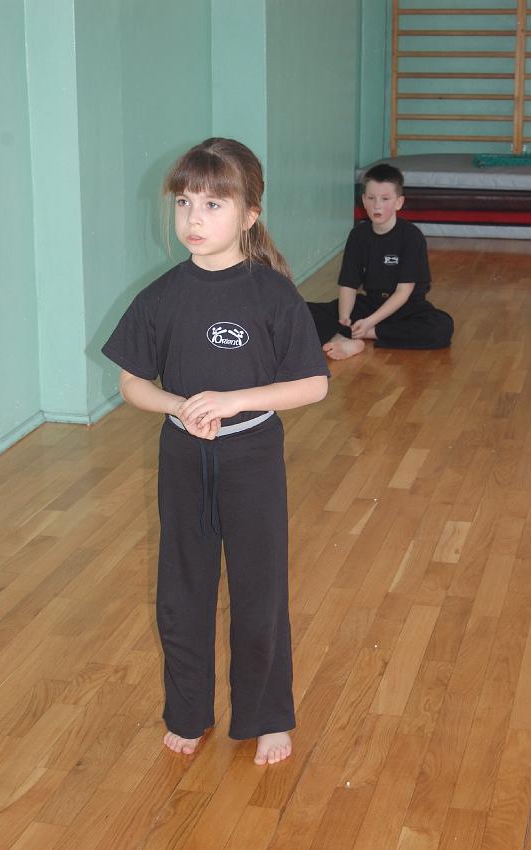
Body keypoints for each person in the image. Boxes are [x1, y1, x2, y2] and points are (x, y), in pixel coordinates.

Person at [102, 138, 329, 766]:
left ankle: (268, 716)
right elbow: (131, 383)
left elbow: (313, 384)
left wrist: (234, 400)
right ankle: (187, 712)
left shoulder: (272, 294)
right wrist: (178, 406)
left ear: (250, 214)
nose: (193, 218)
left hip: (251, 457)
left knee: (259, 591)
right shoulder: (162, 295)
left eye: (212, 204)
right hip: (182, 459)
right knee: (182, 590)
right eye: (183, 202)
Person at [307, 163, 454, 359]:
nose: (377, 205)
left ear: (399, 202)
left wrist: (369, 324)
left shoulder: (412, 237)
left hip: (406, 308)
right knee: (304, 310)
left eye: (385, 199)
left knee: (441, 327)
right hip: (370, 303)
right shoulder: (358, 235)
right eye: (371, 198)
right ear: (363, 200)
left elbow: (403, 292)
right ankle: (343, 335)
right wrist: (344, 318)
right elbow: (349, 284)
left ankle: (367, 334)